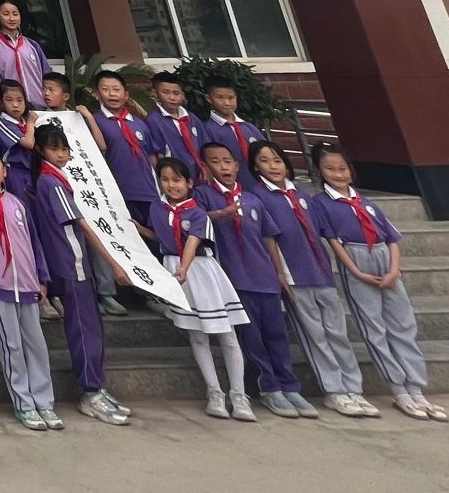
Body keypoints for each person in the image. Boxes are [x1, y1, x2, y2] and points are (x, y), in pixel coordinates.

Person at [312, 143, 446, 421]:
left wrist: (394, 270)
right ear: (320, 172)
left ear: (351, 170)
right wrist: (356, 271)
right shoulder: (321, 203)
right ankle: (399, 390)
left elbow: (392, 238)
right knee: (374, 327)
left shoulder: (367, 203)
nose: (337, 174)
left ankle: (417, 388)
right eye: (330, 169)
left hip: (385, 259)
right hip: (356, 259)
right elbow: (334, 241)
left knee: (403, 325)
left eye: (342, 168)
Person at [253, 141, 374, 418]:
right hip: (294, 276)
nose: (273, 166)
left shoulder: (303, 195)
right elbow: (269, 239)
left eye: (277, 160)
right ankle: (334, 390)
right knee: (315, 335)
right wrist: (280, 273)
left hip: (320, 271)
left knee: (337, 332)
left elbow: (323, 233)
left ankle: (353, 388)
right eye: (265, 161)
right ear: (255, 166)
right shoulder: (260, 197)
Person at [196, 140, 309, 418]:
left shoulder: (252, 199)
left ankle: (289, 385)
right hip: (234, 278)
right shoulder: (203, 195)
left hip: (265, 276)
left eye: (227, 162)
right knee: (252, 337)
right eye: (215, 162)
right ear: (205, 167)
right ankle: (268, 387)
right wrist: (221, 214)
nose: (223, 167)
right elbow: (194, 221)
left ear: (237, 166)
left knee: (277, 334)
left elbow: (268, 237)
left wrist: (279, 272)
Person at [32, 123, 133, 426]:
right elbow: (82, 226)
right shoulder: (51, 182)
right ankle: (90, 392)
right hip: (70, 263)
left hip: (75, 262)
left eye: (64, 149)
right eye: (54, 149)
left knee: (91, 327)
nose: (61, 154)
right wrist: (114, 264)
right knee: (83, 329)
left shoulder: (55, 179)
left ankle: (97, 387)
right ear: (40, 151)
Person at [0, 143, 58, 431]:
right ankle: (24, 404)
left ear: (5, 170)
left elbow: (34, 242)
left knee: (37, 346)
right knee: (11, 347)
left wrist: (42, 278)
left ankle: (44, 402)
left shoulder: (18, 204)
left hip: (28, 286)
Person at [148, 155, 251, 420]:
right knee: (196, 334)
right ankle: (214, 392)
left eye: (176, 180)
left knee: (226, 333)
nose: (171, 185)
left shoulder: (197, 212)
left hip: (201, 271)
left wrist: (184, 267)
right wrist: (136, 229)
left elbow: (193, 241)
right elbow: (161, 237)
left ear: (189, 183)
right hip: (175, 269)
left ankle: (239, 395)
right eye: (165, 180)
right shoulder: (157, 209)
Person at [90, 68, 158, 228]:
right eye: (105, 89)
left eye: (116, 89)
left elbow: (151, 156)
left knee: (155, 236)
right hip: (119, 193)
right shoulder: (94, 121)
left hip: (149, 191)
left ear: (126, 95)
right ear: (97, 94)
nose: (112, 94)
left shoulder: (139, 123)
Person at [0, 0, 48, 107]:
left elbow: (47, 75)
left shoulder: (33, 45)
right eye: (6, 14)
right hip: (12, 108)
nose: (11, 18)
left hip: (39, 107)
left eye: (15, 14)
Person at [201, 76, 268, 181]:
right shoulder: (207, 129)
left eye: (231, 98)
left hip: (261, 181)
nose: (227, 103)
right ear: (208, 98)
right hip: (231, 183)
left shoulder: (249, 127)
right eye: (220, 98)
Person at [146, 70, 206, 167]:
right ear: (155, 93)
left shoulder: (192, 118)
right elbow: (159, 152)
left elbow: (205, 144)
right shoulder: (153, 120)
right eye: (165, 92)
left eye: (176, 93)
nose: (172, 97)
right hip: (174, 171)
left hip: (200, 170)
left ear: (183, 95)